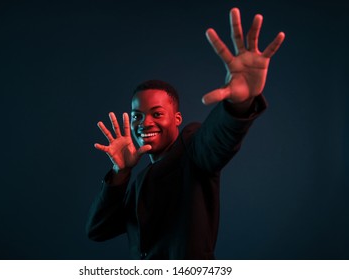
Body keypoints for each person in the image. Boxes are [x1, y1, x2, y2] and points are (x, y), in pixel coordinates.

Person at [86, 7, 285, 259]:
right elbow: (97, 230)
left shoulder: (192, 147)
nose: (145, 123)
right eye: (138, 115)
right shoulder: (139, 182)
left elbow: (218, 139)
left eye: (157, 113)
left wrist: (240, 104)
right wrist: (120, 173)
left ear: (177, 118)